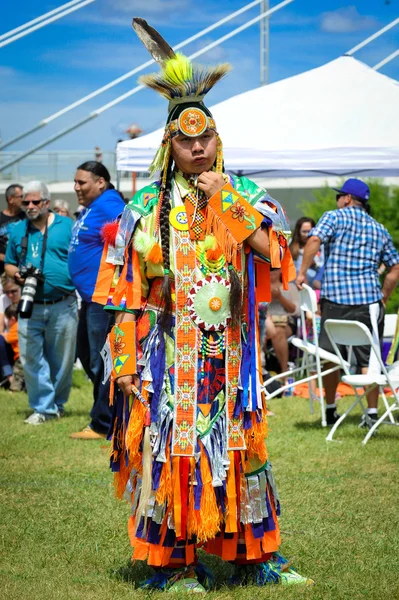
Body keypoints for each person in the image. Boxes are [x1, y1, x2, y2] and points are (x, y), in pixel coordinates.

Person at [93, 19, 311, 590]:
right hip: (170, 356)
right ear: (170, 143)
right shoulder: (142, 206)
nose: (197, 147)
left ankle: (255, 556)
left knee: (244, 450)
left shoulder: (247, 196)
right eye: (186, 139)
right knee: (173, 452)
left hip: (232, 357)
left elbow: (277, 255)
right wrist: (126, 362)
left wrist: (229, 204)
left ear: (217, 139)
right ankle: (174, 562)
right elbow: (123, 290)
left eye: (205, 138)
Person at [297, 178, 399, 427]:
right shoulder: (379, 228)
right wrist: (383, 298)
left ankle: (331, 410)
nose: (337, 200)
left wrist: (301, 273)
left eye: (339, 196)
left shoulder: (334, 217)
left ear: (347, 199)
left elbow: (313, 240)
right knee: (369, 359)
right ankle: (372, 415)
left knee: (330, 357)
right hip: (368, 303)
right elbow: (395, 268)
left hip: (335, 302)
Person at [5, 180, 78, 425]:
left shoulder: (67, 225)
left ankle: (56, 405)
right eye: (26, 202)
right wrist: (16, 274)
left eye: (36, 201)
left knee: (62, 360)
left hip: (63, 303)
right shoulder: (17, 229)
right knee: (30, 357)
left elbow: (80, 256)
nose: (31, 205)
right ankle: (43, 407)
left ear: (47, 202)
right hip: (30, 304)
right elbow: (9, 263)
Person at [68, 162, 126, 440]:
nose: (76, 187)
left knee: (101, 360)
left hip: (104, 297)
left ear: (101, 182)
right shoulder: (94, 206)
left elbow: (130, 227)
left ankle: (104, 422)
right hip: (90, 298)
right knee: (87, 355)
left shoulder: (110, 203)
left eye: (82, 182)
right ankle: (110, 411)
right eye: (76, 182)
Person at [266, 270, 299, 377]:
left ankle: (284, 373)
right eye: (269, 269)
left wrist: (280, 297)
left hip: (286, 323)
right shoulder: (261, 286)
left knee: (279, 332)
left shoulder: (290, 287)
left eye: (274, 269)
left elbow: (295, 310)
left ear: (281, 270)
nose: (271, 272)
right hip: (266, 321)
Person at [0, 184, 26, 275]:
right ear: (11, 199)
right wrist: (8, 258)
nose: (25, 199)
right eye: (21, 196)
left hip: (22, 270)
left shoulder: (27, 217)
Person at [289, 217, 323, 286]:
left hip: (313, 286)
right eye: (304, 231)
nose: (307, 234)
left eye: (309, 231)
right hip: (294, 285)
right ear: (298, 232)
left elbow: (323, 265)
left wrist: (315, 264)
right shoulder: (290, 245)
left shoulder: (320, 247)